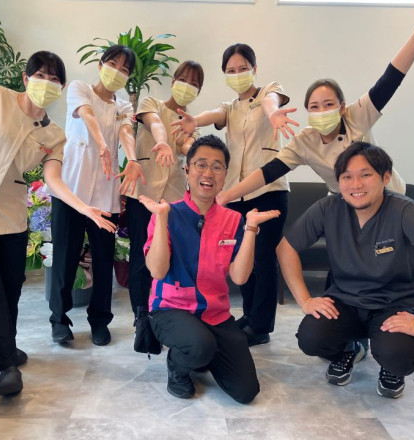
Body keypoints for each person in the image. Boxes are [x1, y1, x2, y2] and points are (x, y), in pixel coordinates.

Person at [0, 49, 116, 396]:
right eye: (40, 75)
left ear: (61, 88)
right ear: (26, 78)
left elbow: (54, 180)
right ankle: (5, 366)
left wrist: (85, 208)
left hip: (9, 214)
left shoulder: (55, 135)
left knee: (12, 285)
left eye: (54, 78)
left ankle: (7, 346)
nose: (46, 83)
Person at [217, 0, 414, 203]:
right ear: (308, 112)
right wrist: (227, 195)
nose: (321, 111)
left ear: (342, 107)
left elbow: (390, 80)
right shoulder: (305, 142)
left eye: (329, 104)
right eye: (314, 107)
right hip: (346, 202)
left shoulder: (357, 116)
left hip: (388, 198)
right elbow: (269, 172)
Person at [277, 142, 414, 398]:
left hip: (393, 305)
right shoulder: (328, 208)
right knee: (312, 338)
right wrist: (305, 300)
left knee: (399, 355)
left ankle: (390, 367)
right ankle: (349, 349)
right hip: (345, 302)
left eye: (365, 175)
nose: (356, 185)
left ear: (385, 177)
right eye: (347, 177)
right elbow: (286, 248)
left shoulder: (405, 211)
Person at [170, 43, 299, 346]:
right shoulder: (230, 108)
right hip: (236, 196)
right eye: (231, 70)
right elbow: (215, 113)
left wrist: (274, 115)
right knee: (244, 258)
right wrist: (194, 121)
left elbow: (270, 102)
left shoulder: (269, 90)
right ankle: (250, 317)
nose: (237, 74)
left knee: (263, 260)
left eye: (243, 69)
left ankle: (261, 327)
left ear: (254, 69)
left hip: (268, 191)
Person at [140, 134, 280, 402]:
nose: (208, 173)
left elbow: (240, 277)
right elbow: (157, 271)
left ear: (225, 175)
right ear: (187, 170)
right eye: (201, 164)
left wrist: (251, 228)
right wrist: (161, 219)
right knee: (199, 345)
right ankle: (178, 367)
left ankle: (201, 352)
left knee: (246, 392)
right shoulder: (167, 212)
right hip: (170, 309)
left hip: (215, 314)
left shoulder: (233, 219)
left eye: (217, 167)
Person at [48, 45, 145, 346]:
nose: (117, 72)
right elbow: (86, 114)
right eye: (113, 64)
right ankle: (59, 320)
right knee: (64, 259)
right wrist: (102, 143)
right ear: (101, 64)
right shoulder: (80, 89)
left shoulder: (123, 106)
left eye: (125, 69)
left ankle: (100, 320)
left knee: (104, 262)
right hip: (71, 191)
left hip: (105, 195)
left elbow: (126, 132)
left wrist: (132, 159)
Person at [125, 60, 204, 315]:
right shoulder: (152, 103)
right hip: (143, 194)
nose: (187, 86)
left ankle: (168, 310)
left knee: (170, 255)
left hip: (173, 200)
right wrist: (163, 142)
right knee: (140, 257)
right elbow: (155, 123)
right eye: (184, 80)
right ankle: (141, 314)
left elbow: (188, 146)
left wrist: (194, 149)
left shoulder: (190, 123)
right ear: (173, 81)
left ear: (198, 91)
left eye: (194, 84)